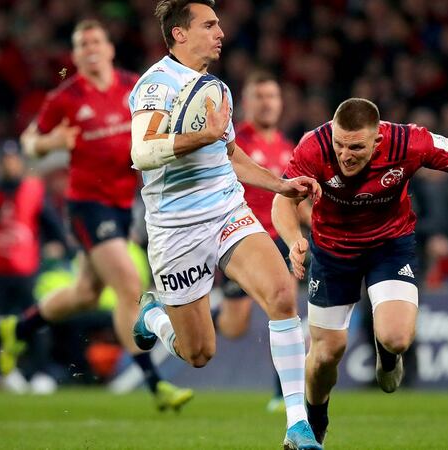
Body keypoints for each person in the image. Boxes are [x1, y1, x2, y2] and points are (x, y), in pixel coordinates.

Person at [272, 98, 448, 445]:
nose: (345, 155)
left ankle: (388, 359)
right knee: (326, 355)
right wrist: (293, 239)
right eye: (340, 144)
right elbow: (283, 199)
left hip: (388, 246)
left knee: (397, 337)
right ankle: (316, 427)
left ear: (377, 139)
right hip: (332, 252)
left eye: (356, 147)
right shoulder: (314, 146)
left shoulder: (409, 142)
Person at [128, 2, 321, 448]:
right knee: (199, 352)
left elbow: (229, 154)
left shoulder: (216, 88)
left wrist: (281, 185)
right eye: (209, 25)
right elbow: (143, 152)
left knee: (281, 294)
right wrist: (204, 135)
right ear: (179, 34)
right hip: (176, 228)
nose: (220, 32)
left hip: (226, 211)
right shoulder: (157, 85)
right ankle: (154, 316)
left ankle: (297, 425)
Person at [0, 19, 192, 410]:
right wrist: (49, 143)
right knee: (129, 285)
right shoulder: (66, 97)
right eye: (82, 44)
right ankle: (155, 385)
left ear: (109, 49)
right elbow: (28, 142)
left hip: (123, 204)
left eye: (96, 41)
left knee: (86, 294)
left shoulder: (133, 87)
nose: (90, 48)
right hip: (86, 205)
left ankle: (17, 328)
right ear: (75, 55)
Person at [213, 70, 311, 413]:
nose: (267, 103)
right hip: (243, 239)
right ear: (246, 102)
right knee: (234, 326)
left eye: (272, 96)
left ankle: (283, 394)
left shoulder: (287, 147)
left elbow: (296, 202)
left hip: (280, 240)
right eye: (260, 96)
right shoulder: (234, 143)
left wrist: (317, 224)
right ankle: (202, 313)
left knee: (285, 307)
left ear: (281, 103)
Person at [0, 142, 69, 393]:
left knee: (34, 320)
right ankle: (8, 372)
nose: (9, 165)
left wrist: (64, 247)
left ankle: (40, 372)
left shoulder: (33, 191)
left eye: (12, 160)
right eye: (5, 160)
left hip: (26, 269)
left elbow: (51, 223)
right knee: (2, 324)